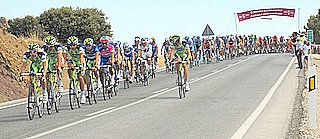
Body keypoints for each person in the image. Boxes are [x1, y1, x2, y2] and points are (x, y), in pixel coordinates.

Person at [64, 36, 86, 104]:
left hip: (80, 61)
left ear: (76, 44)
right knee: (69, 68)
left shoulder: (80, 48)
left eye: (73, 45)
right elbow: (65, 57)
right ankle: (72, 80)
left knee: (80, 77)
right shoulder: (67, 48)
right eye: (70, 45)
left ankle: (83, 94)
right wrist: (63, 64)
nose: (72, 47)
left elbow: (81, 58)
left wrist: (81, 66)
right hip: (73, 60)